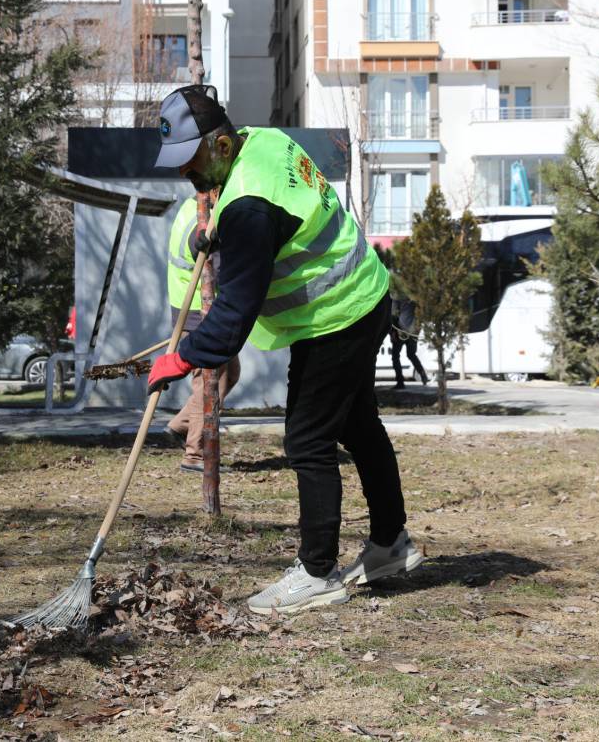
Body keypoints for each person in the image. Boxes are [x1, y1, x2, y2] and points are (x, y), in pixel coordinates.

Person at [147, 84, 423, 615]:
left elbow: (232, 316)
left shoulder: (247, 205)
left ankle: (317, 573)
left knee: (306, 441)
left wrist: (180, 359)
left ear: (223, 146)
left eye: (192, 160)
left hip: (335, 317)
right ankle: (391, 545)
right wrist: (217, 237)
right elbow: (280, 219)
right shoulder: (266, 141)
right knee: (359, 427)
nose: (186, 174)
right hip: (365, 293)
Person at [163, 198, 242, 472]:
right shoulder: (207, 221)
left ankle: (181, 425)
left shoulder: (190, 205)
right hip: (200, 310)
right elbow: (220, 272)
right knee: (210, 383)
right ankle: (195, 454)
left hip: (189, 307)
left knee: (230, 373)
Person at [389, 294, 429, 389]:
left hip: (401, 331)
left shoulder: (397, 296)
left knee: (395, 356)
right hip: (413, 331)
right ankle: (423, 375)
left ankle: (400, 382)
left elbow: (393, 314)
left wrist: (392, 332)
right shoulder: (416, 296)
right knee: (411, 354)